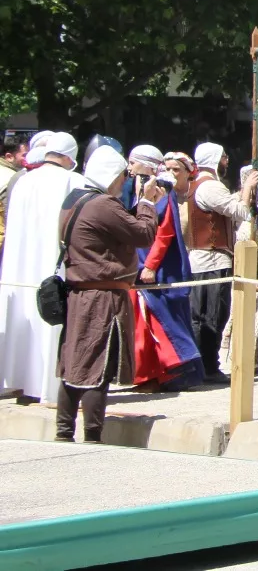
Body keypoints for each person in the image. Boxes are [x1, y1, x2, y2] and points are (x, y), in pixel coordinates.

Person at [56, 146, 161, 441]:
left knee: (74, 364)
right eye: (121, 177)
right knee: (96, 367)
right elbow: (142, 234)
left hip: (80, 294)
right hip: (101, 296)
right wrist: (146, 203)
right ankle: (92, 434)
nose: (123, 182)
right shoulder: (102, 204)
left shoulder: (75, 199)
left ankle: (64, 431)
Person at [0, 132, 82, 402]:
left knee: (25, 314)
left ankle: (19, 380)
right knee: (52, 318)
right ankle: (48, 384)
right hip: (52, 265)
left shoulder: (23, 180)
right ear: (70, 156)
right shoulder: (73, 180)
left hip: (20, 266)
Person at [128, 152, 202, 391]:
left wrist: (151, 264)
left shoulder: (162, 190)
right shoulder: (131, 188)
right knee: (143, 324)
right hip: (136, 266)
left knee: (164, 321)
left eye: (132, 162)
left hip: (158, 269)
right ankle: (146, 375)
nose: (129, 168)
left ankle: (171, 375)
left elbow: (165, 232)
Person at [188, 142, 258, 382]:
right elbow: (239, 212)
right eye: (224, 157)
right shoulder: (210, 186)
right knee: (212, 316)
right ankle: (208, 366)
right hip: (212, 260)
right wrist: (247, 188)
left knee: (206, 315)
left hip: (207, 260)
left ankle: (204, 365)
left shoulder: (201, 185)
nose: (226, 162)